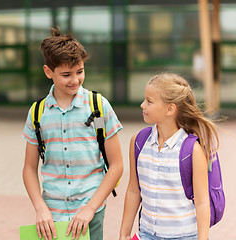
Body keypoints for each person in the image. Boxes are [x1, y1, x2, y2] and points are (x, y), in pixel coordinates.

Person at [22, 27, 123, 240]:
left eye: (80, 72)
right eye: (66, 74)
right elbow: (29, 169)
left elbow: (116, 165)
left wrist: (89, 209)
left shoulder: (98, 107)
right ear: (48, 72)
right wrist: (40, 208)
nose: (75, 80)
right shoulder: (37, 113)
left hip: (91, 211)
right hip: (50, 216)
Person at [119, 73, 217, 240]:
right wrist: (124, 233)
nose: (142, 105)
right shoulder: (138, 142)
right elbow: (134, 191)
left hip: (185, 236)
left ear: (170, 109)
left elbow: (201, 203)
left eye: (149, 101)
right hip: (147, 234)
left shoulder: (192, 150)